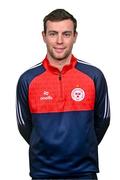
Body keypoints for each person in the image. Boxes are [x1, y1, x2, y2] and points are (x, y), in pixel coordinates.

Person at [16, 9, 110, 180]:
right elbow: (24, 125)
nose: (59, 41)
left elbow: (103, 120)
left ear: (75, 36)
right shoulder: (27, 79)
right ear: (44, 36)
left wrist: (83, 146)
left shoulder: (94, 76)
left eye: (66, 34)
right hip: (43, 173)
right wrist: (45, 148)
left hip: (84, 172)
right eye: (53, 34)